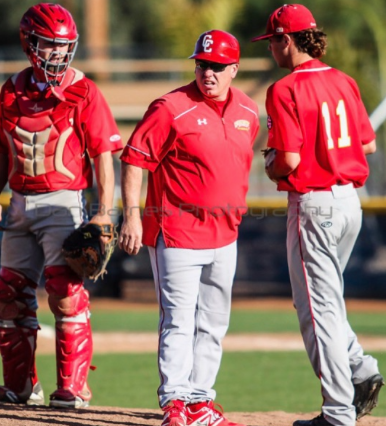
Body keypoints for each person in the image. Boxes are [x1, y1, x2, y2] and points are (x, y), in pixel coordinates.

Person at [0, 3, 122, 409]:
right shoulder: (11, 89)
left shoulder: (85, 90)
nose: (57, 54)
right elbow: (3, 150)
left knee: (64, 290)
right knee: (8, 292)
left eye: (64, 47)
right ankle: (22, 387)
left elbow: (103, 156)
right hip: (20, 203)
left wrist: (104, 211)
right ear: (29, 43)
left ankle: (74, 388)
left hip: (63, 203)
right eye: (49, 45)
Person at [251, 4, 384, 426]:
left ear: (286, 40)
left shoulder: (285, 88)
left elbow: (287, 160)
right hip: (349, 202)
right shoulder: (343, 80)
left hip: (315, 205)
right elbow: (367, 146)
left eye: (273, 40)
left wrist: (269, 161)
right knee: (322, 302)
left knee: (318, 309)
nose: (271, 48)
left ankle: (338, 412)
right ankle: (360, 370)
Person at [119, 29, 259, 426]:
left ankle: (200, 401)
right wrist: (130, 215)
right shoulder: (170, 107)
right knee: (178, 319)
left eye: (216, 66)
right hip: (177, 230)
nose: (208, 73)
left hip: (226, 233)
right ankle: (175, 401)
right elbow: (134, 159)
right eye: (201, 65)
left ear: (234, 68)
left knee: (214, 323)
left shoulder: (248, 112)